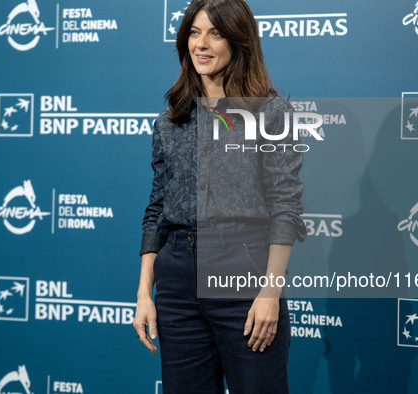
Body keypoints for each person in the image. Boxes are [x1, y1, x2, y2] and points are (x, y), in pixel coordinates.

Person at [134, 0, 306, 393]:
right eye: (194, 33)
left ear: (239, 41)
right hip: (177, 279)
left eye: (215, 33)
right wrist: (146, 292)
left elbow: (285, 205)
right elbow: (157, 208)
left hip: (244, 274)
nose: (201, 44)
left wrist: (270, 293)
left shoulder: (271, 113)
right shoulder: (170, 121)